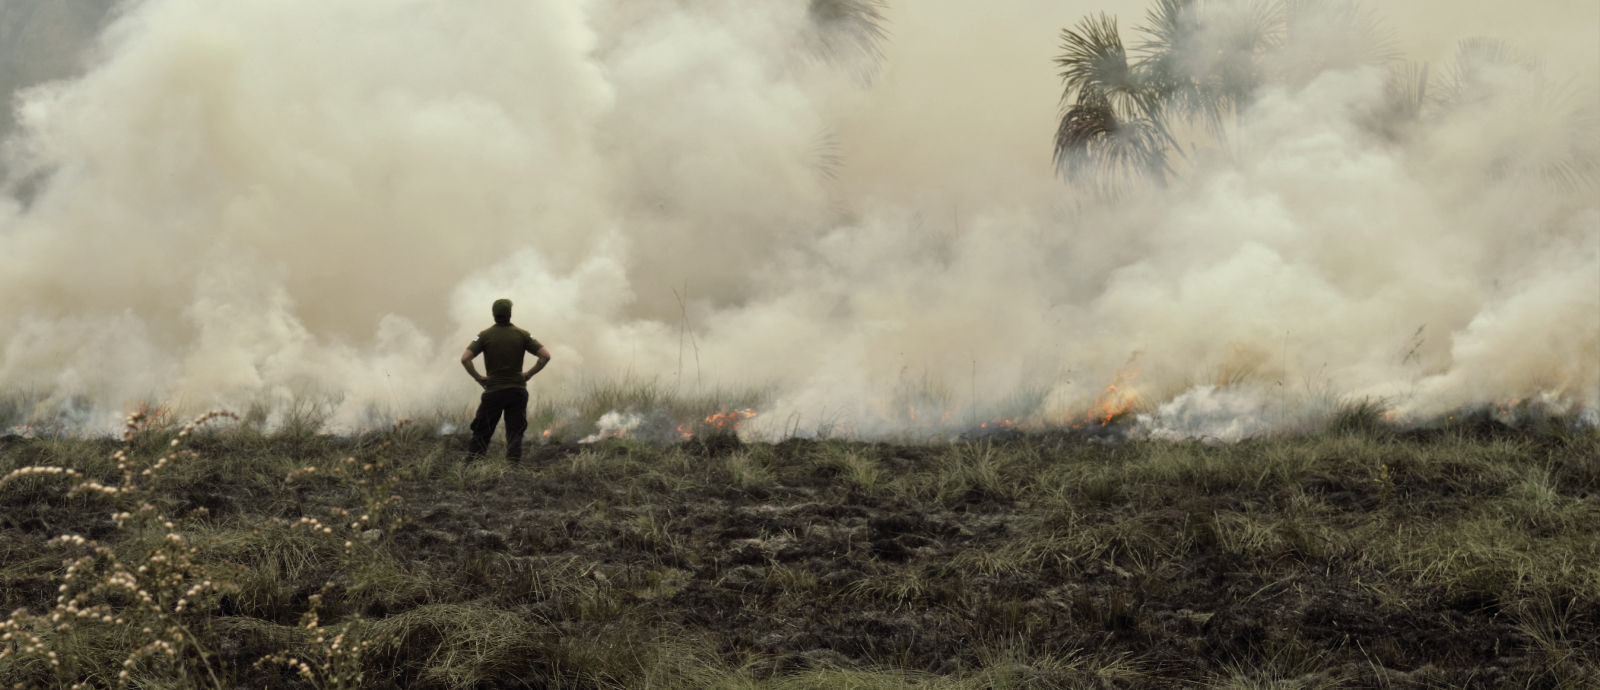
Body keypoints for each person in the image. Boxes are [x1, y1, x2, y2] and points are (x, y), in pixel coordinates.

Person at [460, 298, 551, 463]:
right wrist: (528, 374)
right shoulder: (523, 334)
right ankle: (512, 468)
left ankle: (473, 467)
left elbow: (465, 359)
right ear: (510, 314)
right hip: (517, 390)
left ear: (493, 314)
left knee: (482, 431)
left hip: (493, 391)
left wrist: (479, 378)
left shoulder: (484, 335)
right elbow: (545, 356)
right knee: (515, 433)